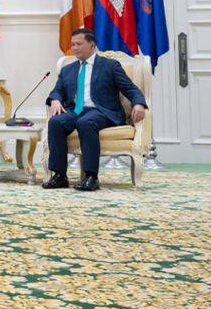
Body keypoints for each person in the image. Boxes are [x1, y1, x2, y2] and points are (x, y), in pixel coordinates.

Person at [43, 28, 147, 192]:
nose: (74, 48)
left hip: (102, 111)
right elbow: (57, 91)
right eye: (72, 44)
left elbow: (130, 89)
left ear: (92, 45)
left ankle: (91, 177)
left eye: (79, 44)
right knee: (56, 122)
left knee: (86, 122)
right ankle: (60, 176)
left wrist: (139, 104)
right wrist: (55, 100)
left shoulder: (110, 66)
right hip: (75, 110)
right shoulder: (67, 69)